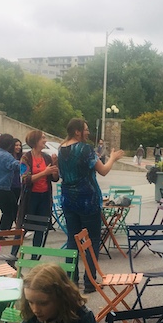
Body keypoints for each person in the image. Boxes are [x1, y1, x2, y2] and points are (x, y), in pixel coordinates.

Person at [57, 118, 124, 292]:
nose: (88, 132)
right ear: (77, 131)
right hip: (88, 200)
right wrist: (113, 158)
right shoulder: (85, 149)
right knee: (92, 240)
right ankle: (89, 282)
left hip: (67, 199)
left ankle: (71, 281)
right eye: (85, 129)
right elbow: (103, 170)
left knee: (72, 239)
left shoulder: (61, 149)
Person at [16, 131, 59, 247]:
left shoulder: (46, 157)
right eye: (43, 138)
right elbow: (25, 179)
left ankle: (35, 257)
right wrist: (44, 172)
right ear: (35, 141)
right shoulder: (26, 158)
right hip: (31, 197)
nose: (45, 140)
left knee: (40, 227)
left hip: (44, 197)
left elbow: (54, 178)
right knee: (23, 227)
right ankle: (13, 256)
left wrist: (55, 166)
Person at [0, 134, 22, 230]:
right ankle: (1, 232)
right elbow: (16, 166)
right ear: (10, 145)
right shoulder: (6, 156)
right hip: (3, 188)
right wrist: (25, 164)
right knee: (10, 210)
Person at [10, 138, 23, 219]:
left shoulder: (21, 157)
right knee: (12, 207)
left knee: (17, 207)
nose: (18, 147)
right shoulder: (9, 157)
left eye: (19, 145)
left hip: (18, 185)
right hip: (11, 185)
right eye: (16, 145)